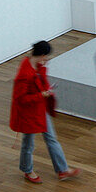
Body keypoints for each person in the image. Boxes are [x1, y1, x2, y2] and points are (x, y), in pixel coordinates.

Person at [10, 41, 80, 184]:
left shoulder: (36, 66)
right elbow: (20, 98)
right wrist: (41, 95)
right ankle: (27, 170)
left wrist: (44, 91)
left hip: (39, 109)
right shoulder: (24, 73)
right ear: (42, 55)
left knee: (51, 138)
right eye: (46, 57)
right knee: (28, 143)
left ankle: (62, 170)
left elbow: (41, 82)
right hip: (28, 114)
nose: (47, 60)